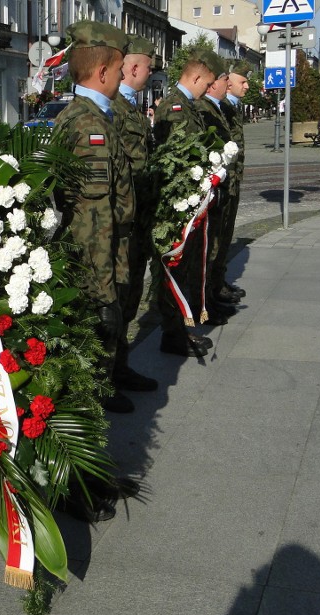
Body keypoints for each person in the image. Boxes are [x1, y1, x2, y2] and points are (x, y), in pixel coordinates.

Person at [53, 20, 136, 414]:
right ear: (103, 72)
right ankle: (94, 410)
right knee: (100, 329)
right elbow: (93, 216)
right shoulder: (90, 126)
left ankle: (104, 389)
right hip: (96, 260)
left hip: (101, 254)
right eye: (120, 69)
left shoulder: (90, 116)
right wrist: (104, 291)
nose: (123, 76)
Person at [152, 49, 221, 357]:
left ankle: (181, 329)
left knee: (185, 267)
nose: (207, 91)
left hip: (189, 202)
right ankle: (173, 333)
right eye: (206, 85)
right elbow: (178, 155)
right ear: (194, 77)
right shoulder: (175, 107)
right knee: (172, 268)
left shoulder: (188, 106)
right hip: (175, 204)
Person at [110, 33, 160, 396]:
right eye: (149, 67)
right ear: (134, 67)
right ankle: (108, 375)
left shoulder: (133, 107)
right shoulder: (111, 108)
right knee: (117, 298)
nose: (151, 74)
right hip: (120, 222)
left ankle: (120, 366)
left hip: (138, 218)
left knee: (130, 297)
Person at [193, 56, 235, 327]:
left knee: (214, 248)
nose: (228, 84)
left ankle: (208, 299)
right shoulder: (197, 108)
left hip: (217, 188)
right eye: (223, 79)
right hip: (201, 193)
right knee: (203, 254)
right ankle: (198, 307)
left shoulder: (215, 108)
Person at [213, 59, 252, 309]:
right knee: (216, 239)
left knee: (224, 237)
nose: (246, 86)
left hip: (232, 181)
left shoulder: (232, 107)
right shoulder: (223, 107)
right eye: (242, 81)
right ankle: (214, 287)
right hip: (224, 182)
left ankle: (218, 283)